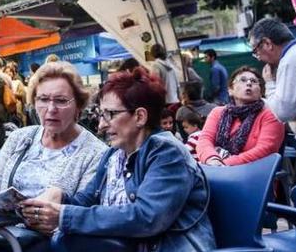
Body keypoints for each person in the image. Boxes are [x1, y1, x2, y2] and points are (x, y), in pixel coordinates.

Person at [23, 67, 215, 251]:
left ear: (140, 116)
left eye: (110, 114)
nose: (101, 125)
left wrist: (63, 215)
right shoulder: (114, 154)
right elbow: (86, 200)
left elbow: (146, 218)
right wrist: (56, 200)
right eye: (101, 114)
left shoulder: (166, 153)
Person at [0, 61, 107, 251]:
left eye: (61, 100)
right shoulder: (20, 137)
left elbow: (81, 212)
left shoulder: (95, 153)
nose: (51, 109)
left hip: (48, 244)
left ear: (79, 106)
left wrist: (54, 219)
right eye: (43, 99)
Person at [249, 18, 296, 211]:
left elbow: (283, 111)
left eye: (256, 50)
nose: (257, 56)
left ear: (267, 43)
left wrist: (270, 83)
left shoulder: (292, 59)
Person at [196, 66, 283, 166]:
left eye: (254, 81)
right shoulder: (217, 112)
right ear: (230, 90)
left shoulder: (271, 115)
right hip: (215, 168)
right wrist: (212, 159)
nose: (249, 83)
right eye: (243, 80)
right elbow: (204, 140)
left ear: (260, 92)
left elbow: (265, 149)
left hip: (255, 174)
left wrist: (224, 164)